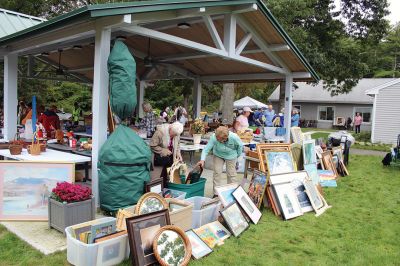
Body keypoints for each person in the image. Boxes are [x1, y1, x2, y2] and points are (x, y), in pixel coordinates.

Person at [197, 126, 243, 196]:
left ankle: (232, 193)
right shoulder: (213, 137)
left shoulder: (234, 137)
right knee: (217, 173)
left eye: (219, 139)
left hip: (231, 155)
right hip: (218, 154)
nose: (217, 140)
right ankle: (216, 194)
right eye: (217, 138)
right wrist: (202, 160)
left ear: (225, 138)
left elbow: (240, 146)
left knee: (231, 174)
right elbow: (206, 149)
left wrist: (237, 156)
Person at [150, 122, 184, 186]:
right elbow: (152, 145)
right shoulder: (160, 132)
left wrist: (178, 153)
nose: (175, 136)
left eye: (176, 135)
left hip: (170, 158)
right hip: (160, 159)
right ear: (170, 128)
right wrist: (163, 150)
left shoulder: (177, 133)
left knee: (168, 178)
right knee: (159, 178)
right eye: (173, 134)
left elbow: (178, 144)